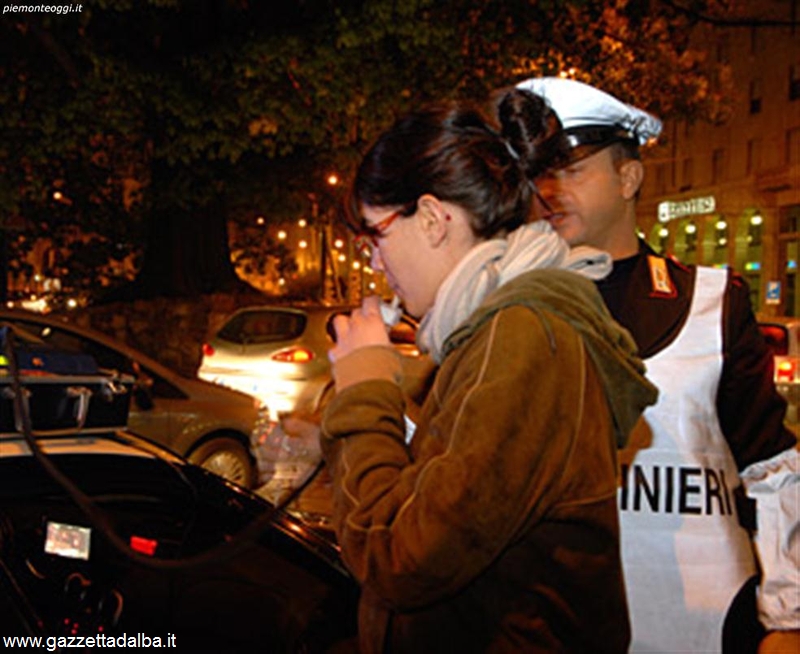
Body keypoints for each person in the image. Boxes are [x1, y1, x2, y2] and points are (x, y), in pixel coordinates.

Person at [317, 89, 658, 653]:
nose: (374, 262)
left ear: (431, 218)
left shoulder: (523, 336)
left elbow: (399, 557)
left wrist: (366, 388)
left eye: (377, 235)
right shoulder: (485, 332)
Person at [516, 76, 800, 653]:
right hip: (555, 628)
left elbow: (771, 467)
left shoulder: (714, 302)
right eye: (539, 173)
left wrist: (786, 618)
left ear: (629, 177)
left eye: (571, 168)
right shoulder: (518, 307)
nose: (549, 189)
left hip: (703, 627)